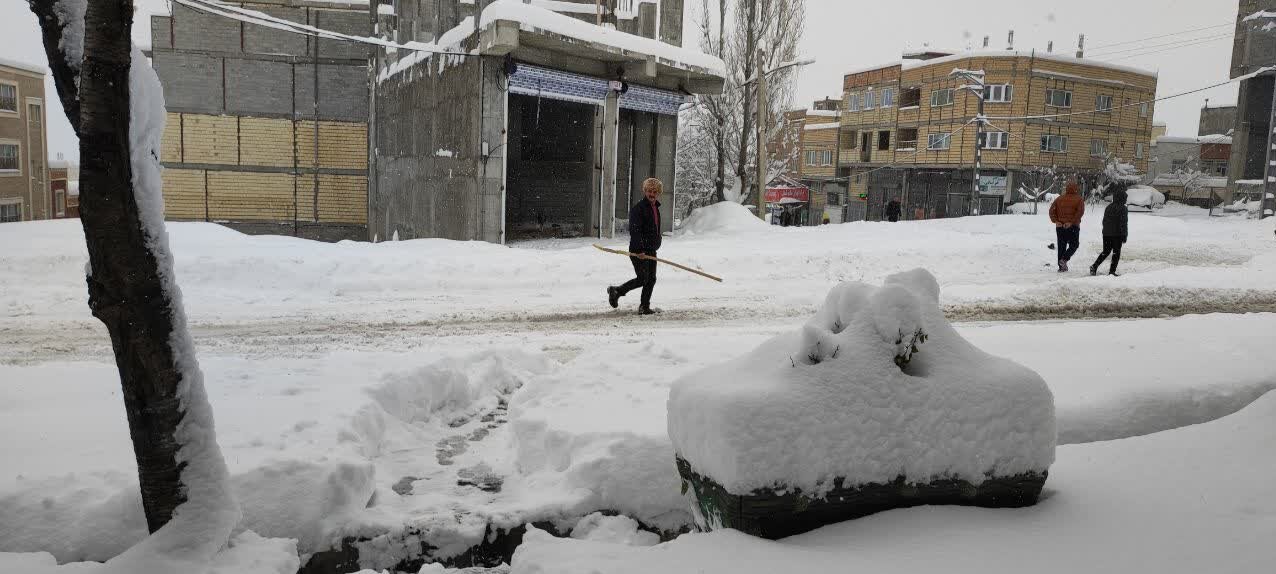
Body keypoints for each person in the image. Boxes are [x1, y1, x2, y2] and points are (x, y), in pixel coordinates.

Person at [607, 178, 664, 315]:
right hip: (639, 250)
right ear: (645, 191)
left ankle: (644, 306)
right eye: (649, 191)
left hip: (650, 249)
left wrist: (656, 242)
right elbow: (635, 231)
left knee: (651, 279)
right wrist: (640, 250)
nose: (652, 194)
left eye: (655, 191)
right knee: (643, 278)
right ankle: (617, 291)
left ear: (658, 193)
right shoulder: (639, 209)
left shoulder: (655, 207)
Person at [1091, 184, 1129, 277]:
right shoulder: (1123, 208)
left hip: (1107, 234)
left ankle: (1094, 266)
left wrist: (1106, 231)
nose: (1126, 200)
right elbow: (1123, 223)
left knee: (1106, 251)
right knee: (1116, 253)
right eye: (1125, 198)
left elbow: (1104, 221)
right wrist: (1124, 235)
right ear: (1122, 198)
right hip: (1117, 234)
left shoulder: (1109, 207)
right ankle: (1112, 271)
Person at [1048, 182, 1085, 272]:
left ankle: (1061, 267)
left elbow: (1051, 211)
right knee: (1074, 244)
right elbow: (1080, 212)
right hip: (1073, 227)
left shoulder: (1059, 199)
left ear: (1067, 189)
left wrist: (1056, 221)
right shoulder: (1079, 199)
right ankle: (1064, 259)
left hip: (1060, 227)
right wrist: (1071, 222)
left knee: (1061, 246)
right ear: (1076, 189)